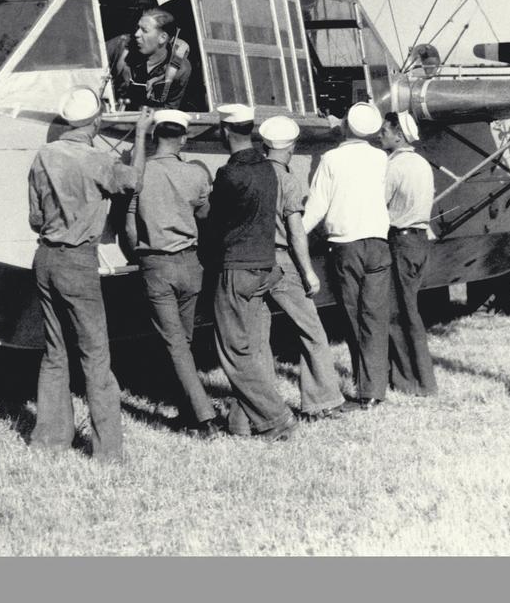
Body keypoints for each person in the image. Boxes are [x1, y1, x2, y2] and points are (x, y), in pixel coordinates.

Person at [26, 87, 152, 460]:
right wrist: (142, 134)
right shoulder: (95, 159)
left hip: (44, 258)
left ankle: (49, 441)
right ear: (96, 122)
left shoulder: (43, 155)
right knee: (96, 357)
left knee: (54, 353)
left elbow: (34, 218)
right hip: (78, 261)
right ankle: (108, 452)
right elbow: (134, 182)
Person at [126, 108, 220, 437]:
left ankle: (204, 417)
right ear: (182, 138)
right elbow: (206, 215)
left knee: (175, 345)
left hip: (156, 264)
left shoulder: (140, 173)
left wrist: (140, 250)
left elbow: (129, 226)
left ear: (154, 138)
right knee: (185, 341)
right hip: (192, 265)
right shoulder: (195, 175)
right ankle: (189, 413)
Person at [206, 104, 297, 441]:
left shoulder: (229, 174)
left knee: (233, 353)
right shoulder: (267, 170)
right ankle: (242, 424)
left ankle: (276, 417)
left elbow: (215, 228)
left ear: (224, 131)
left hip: (235, 268)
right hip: (264, 266)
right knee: (250, 348)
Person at [303, 102, 392, 412]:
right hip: (379, 244)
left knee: (353, 315)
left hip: (346, 246)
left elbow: (317, 205)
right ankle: (374, 389)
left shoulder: (331, 159)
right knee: (376, 317)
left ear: (346, 126)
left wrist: (294, 235)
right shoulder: (382, 157)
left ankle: (362, 382)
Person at [258, 115, 346, 421]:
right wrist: (308, 271)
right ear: (291, 148)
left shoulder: (251, 175)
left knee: (258, 340)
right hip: (282, 263)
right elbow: (296, 232)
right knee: (312, 333)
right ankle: (322, 402)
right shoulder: (287, 180)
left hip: (251, 264)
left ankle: (263, 409)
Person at [379, 111, 439, 396]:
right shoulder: (422, 164)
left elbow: (380, 205)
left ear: (398, 135)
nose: (381, 136)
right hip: (419, 242)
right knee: (411, 310)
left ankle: (409, 381)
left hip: (400, 242)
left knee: (397, 314)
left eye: (385, 131)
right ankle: (422, 380)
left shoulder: (395, 166)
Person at [106, 8, 192, 110]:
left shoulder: (180, 69)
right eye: (138, 28)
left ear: (162, 38)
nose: (137, 34)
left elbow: (169, 108)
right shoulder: (120, 46)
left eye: (144, 30)